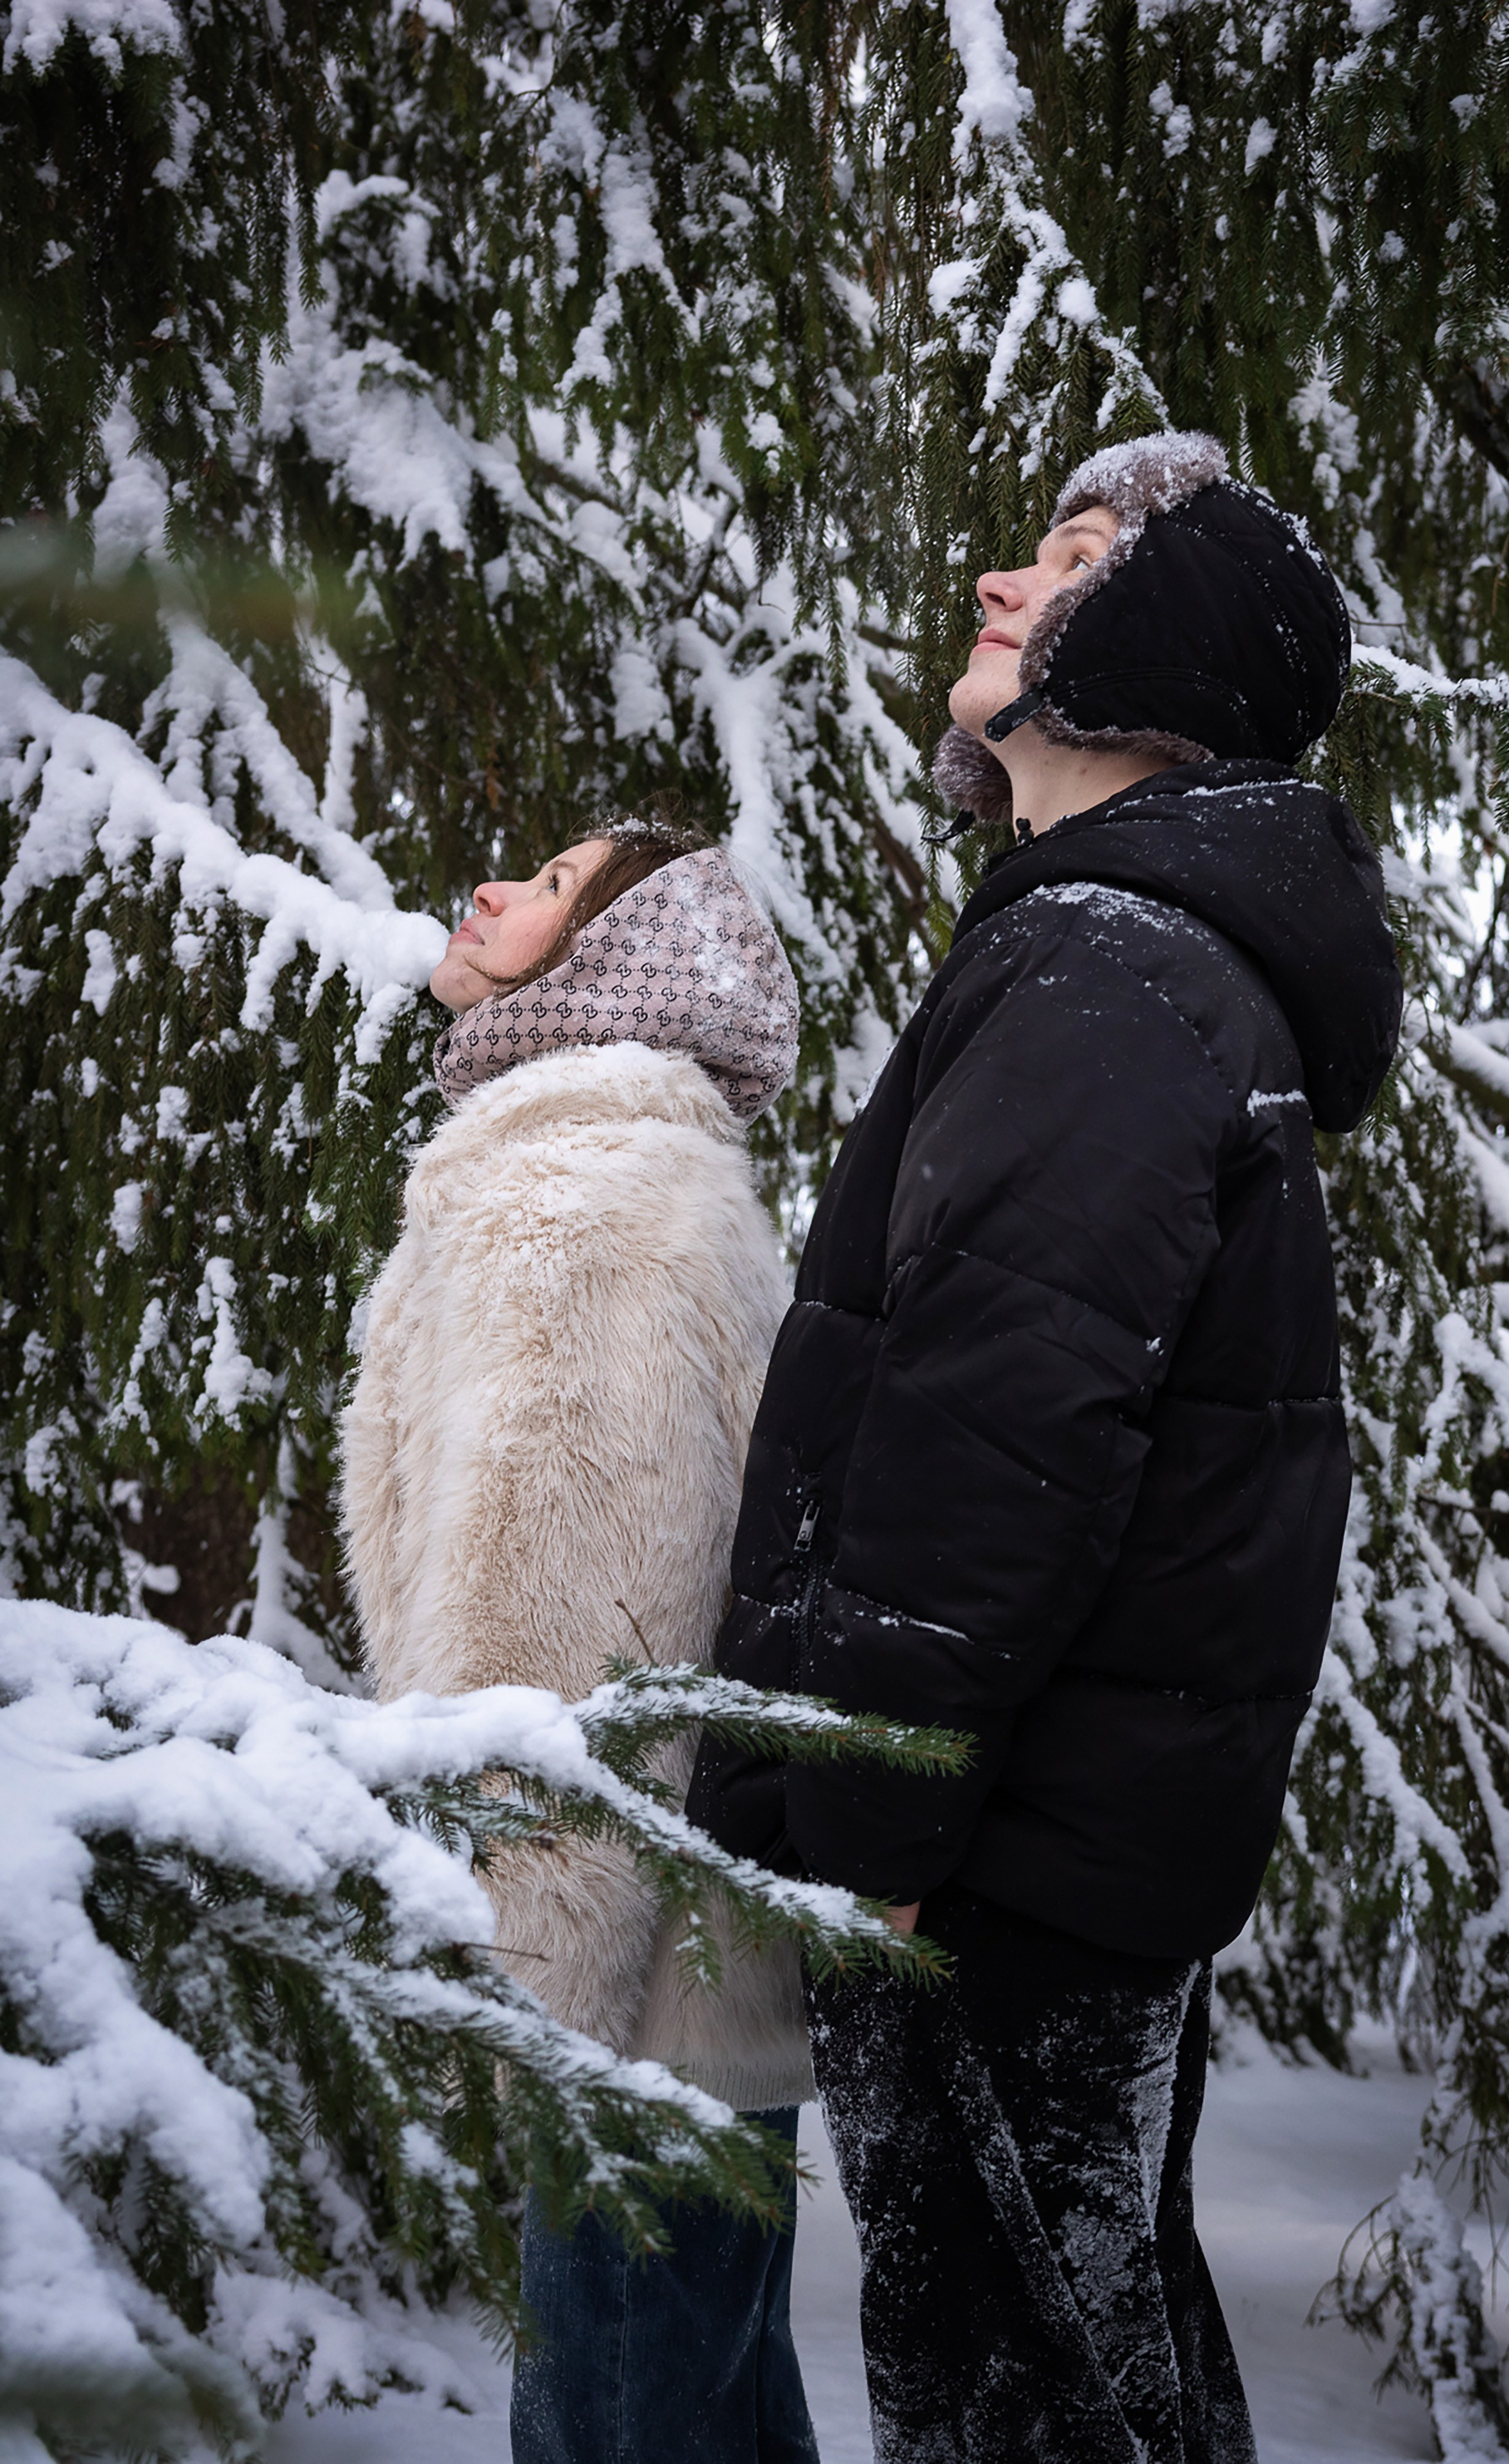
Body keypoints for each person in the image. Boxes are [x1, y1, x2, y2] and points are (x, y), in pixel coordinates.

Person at [687, 432, 1405, 2462]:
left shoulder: (1109, 963)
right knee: (1091, 2383)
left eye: (1074, 562)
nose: (1003, 587)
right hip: (1053, 1854)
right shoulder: (1125, 944)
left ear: (1168, 648)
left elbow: (1005, 1426)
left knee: (1025, 2408)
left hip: (993, 1867)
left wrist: (883, 1829)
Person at [339, 813, 822, 2464]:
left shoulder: (581, 1205)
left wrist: (520, 1995)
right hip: (682, 1998)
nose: (486, 888)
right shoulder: (589, 1173)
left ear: (624, 958)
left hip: (621, 2013)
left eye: (552, 886)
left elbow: (582, 1646)